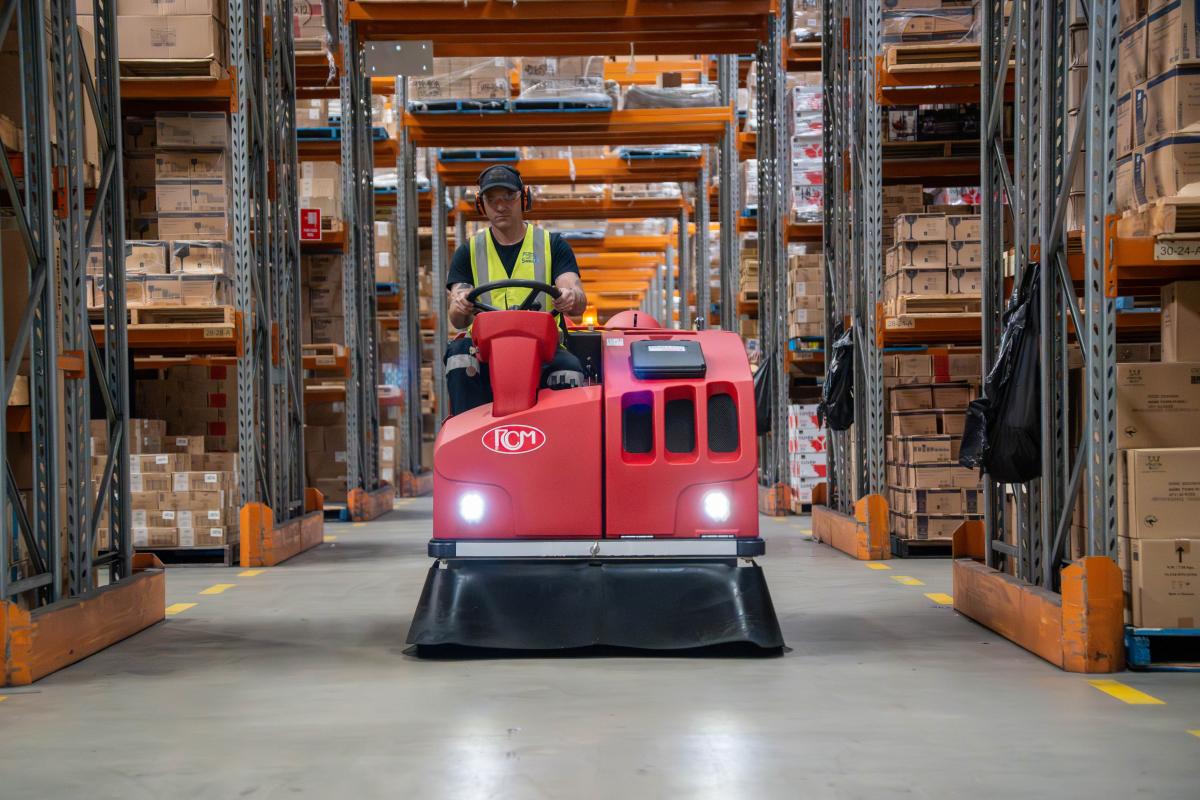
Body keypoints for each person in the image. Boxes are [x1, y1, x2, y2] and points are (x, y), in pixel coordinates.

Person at [443, 165, 589, 415]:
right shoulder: (469, 252)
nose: (501, 206)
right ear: (481, 204)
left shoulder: (552, 245)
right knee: (458, 356)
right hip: (485, 351)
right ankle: (469, 431)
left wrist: (570, 296)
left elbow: (575, 295)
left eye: (509, 197)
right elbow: (457, 319)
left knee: (570, 370)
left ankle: (558, 437)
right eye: (492, 199)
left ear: (524, 198)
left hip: (543, 350)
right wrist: (460, 304)